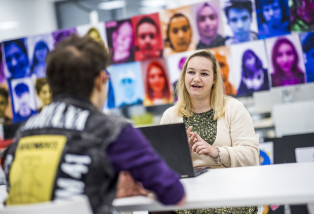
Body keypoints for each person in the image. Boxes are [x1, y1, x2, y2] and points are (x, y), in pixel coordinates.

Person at [2, 36, 185, 213]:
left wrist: (107, 191)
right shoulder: (112, 130)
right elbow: (174, 195)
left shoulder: (24, 132)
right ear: (100, 80)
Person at [160, 49, 259, 214]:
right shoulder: (171, 115)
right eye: (191, 72)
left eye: (204, 74)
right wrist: (179, 154)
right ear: (184, 76)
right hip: (189, 198)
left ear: (214, 80)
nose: (196, 78)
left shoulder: (234, 109)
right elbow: (160, 167)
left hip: (232, 194)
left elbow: (251, 156)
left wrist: (216, 152)